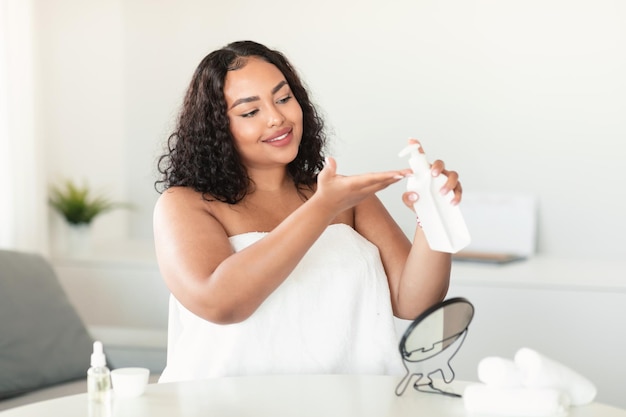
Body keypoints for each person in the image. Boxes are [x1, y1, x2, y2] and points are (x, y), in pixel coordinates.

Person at [153, 40, 463, 382]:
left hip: (351, 404)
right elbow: (222, 303)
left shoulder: (346, 198)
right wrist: (322, 208)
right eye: (250, 111)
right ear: (217, 129)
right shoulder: (185, 204)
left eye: (284, 98)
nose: (277, 118)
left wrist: (432, 214)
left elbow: (414, 302)